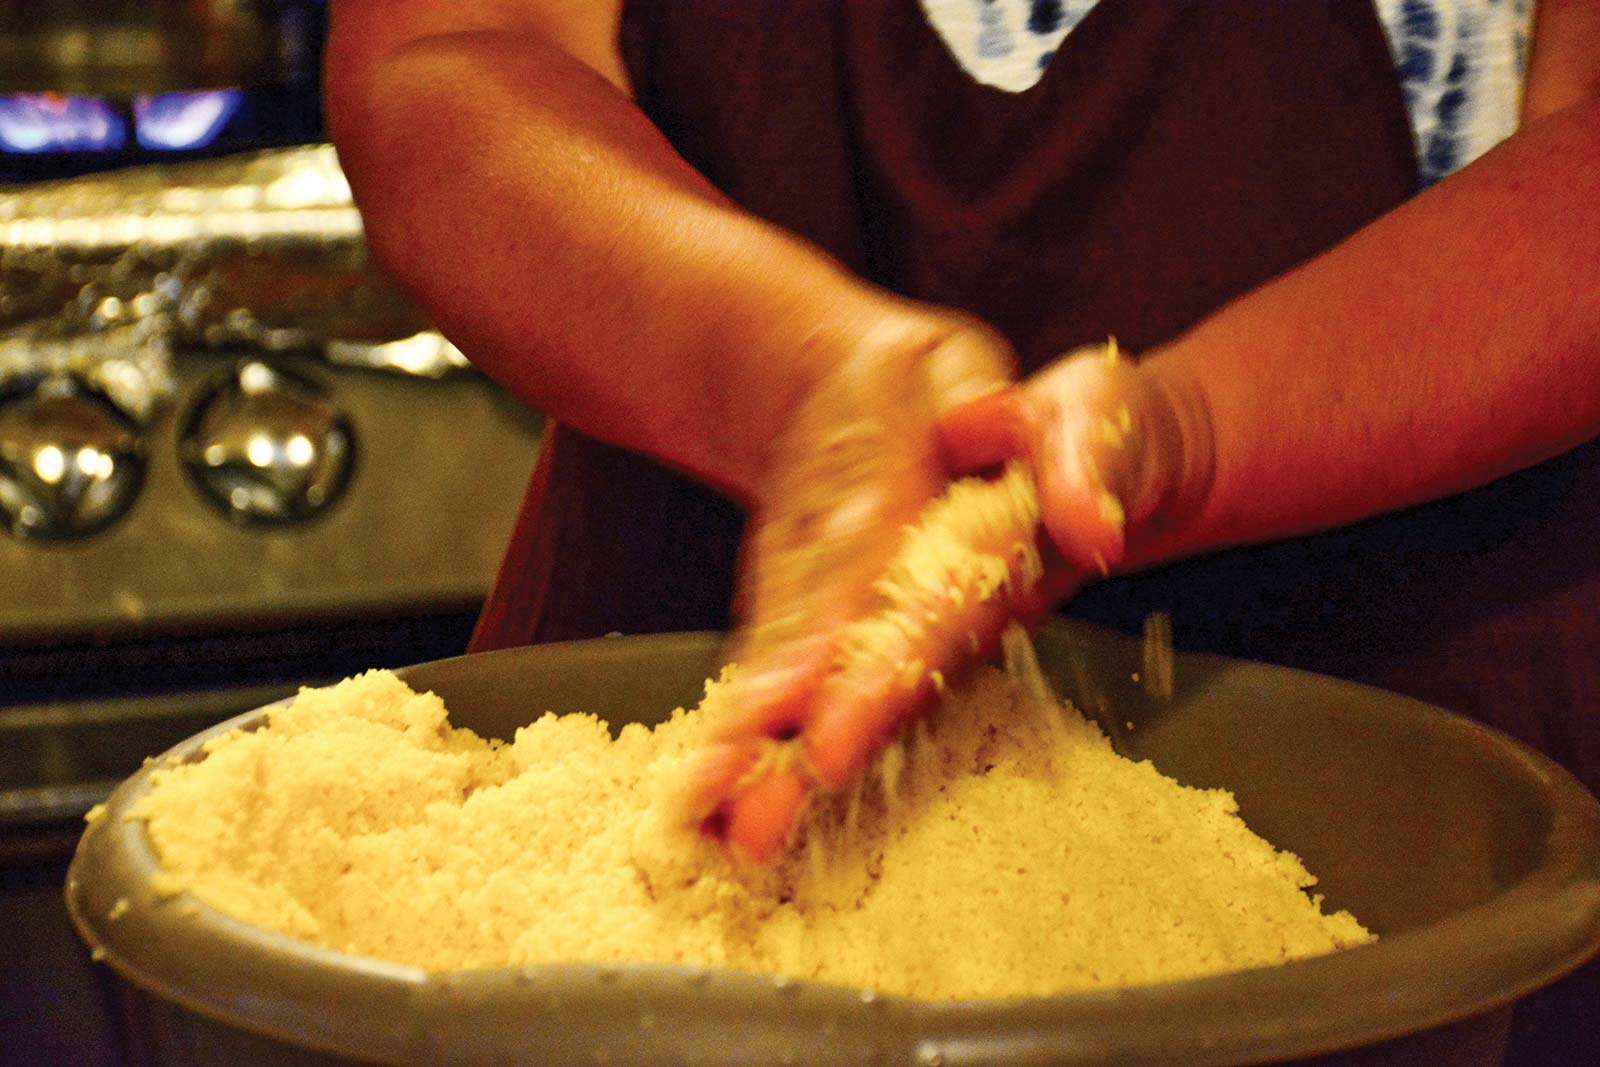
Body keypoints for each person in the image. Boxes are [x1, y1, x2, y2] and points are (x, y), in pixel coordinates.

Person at [324, 0, 1599, 1060]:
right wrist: (795, 378)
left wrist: (1199, 428)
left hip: (1417, 815)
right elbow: (447, 54)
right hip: (686, 714)